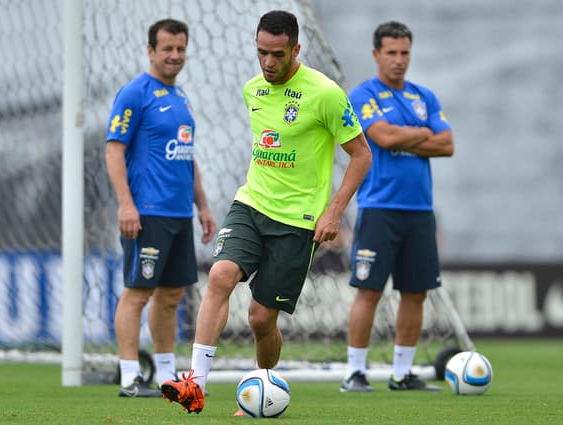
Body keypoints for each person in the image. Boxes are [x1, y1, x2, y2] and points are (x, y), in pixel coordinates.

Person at [161, 10, 372, 414]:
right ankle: (195, 385)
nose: (268, 63)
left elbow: (361, 156)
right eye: (261, 53)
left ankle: (262, 387)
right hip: (251, 203)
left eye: (277, 54)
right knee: (221, 275)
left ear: (296, 49)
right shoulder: (253, 90)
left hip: (299, 222)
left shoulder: (325, 94)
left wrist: (333, 212)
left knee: (260, 318)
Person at [340, 21, 454, 393]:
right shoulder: (363, 95)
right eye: (391, 53)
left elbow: (448, 144)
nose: (399, 60)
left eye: (404, 53)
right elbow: (383, 138)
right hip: (379, 207)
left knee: (416, 292)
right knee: (369, 289)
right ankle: (355, 371)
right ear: (376, 55)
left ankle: (402, 372)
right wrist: (423, 133)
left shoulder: (425, 96)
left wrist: (407, 135)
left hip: (420, 209)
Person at [105, 18, 216, 398]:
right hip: (146, 213)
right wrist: (126, 204)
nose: (174, 55)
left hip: (178, 215)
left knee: (171, 296)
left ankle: (168, 376)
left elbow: (187, 157)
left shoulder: (181, 97)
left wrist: (203, 206)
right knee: (137, 293)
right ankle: (129, 377)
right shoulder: (135, 93)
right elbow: (114, 149)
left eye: (180, 48)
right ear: (150, 50)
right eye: (167, 48)